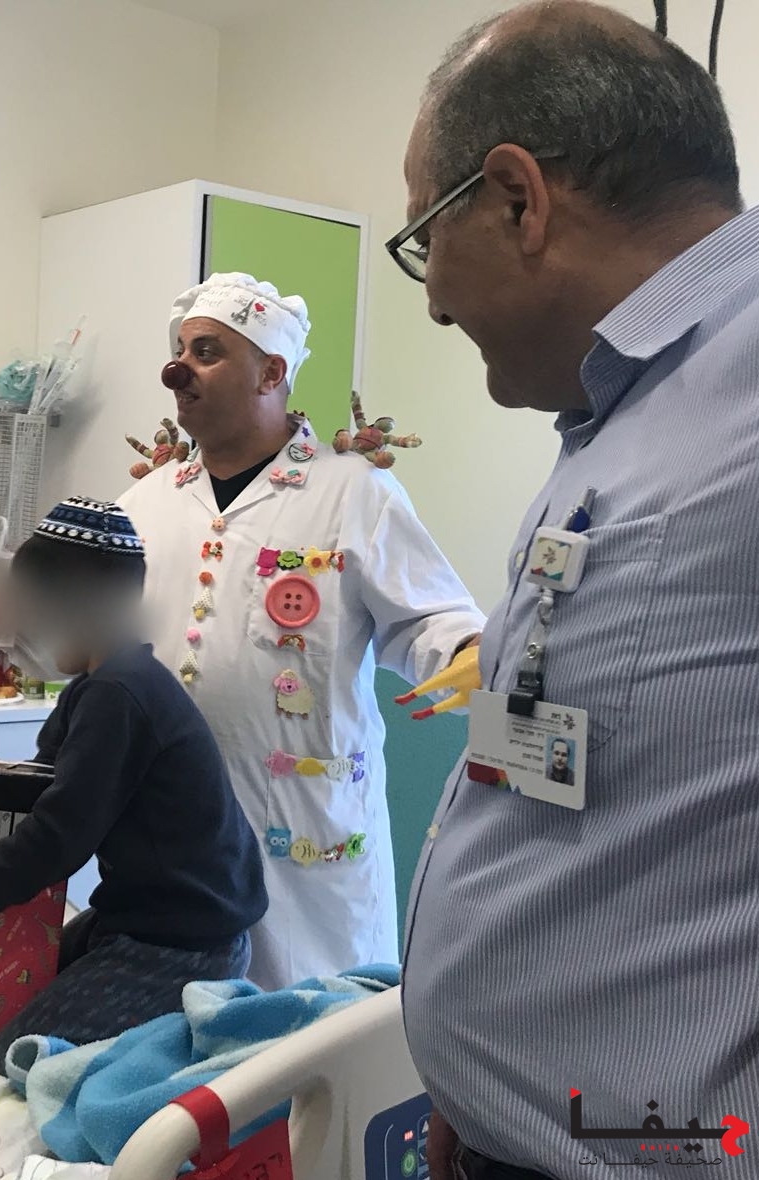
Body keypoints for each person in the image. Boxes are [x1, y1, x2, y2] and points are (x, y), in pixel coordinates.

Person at [393, 4, 759, 1177]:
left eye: (424, 239)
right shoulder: (621, 417)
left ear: (517, 199)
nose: (432, 300)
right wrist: (494, 1079)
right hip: (541, 1131)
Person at [0, 274, 483, 990]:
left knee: (308, 1025)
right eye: (179, 352)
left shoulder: (353, 493)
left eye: (206, 352)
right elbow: (74, 606)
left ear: (271, 372)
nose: (178, 370)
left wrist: (469, 651)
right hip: (173, 833)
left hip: (296, 821)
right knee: (177, 1022)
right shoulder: (149, 499)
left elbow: (431, 616)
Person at [0, 498, 267, 1074]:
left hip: (184, 943)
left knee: (19, 1054)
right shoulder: (94, 686)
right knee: (11, 990)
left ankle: (180, 1052)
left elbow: (60, 833)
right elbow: (38, 787)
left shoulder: (120, 695)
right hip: (132, 916)